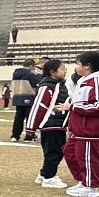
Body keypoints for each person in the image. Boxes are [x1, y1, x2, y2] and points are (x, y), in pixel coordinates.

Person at [62, 52, 99, 197]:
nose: (76, 67)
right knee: (70, 152)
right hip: (79, 129)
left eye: (78, 63)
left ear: (87, 66)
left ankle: (91, 186)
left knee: (87, 157)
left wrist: (72, 107)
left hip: (90, 129)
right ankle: (83, 180)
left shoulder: (96, 82)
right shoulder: (85, 81)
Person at [26, 59, 70, 188]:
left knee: (57, 151)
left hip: (59, 125)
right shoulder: (46, 86)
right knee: (53, 152)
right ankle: (49, 178)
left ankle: (43, 174)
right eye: (62, 68)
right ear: (52, 72)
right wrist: (31, 128)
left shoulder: (60, 85)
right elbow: (38, 106)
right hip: (50, 125)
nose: (65, 70)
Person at [9, 59, 42, 141]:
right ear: (31, 66)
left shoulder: (15, 73)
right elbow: (37, 83)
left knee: (18, 118)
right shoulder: (29, 74)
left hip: (17, 97)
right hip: (28, 97)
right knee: (29, 118)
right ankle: (29, 136)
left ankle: (15, 135)